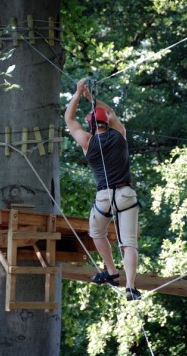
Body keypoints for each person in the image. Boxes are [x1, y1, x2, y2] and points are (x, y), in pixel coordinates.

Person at [65, 77, 141, 301]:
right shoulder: (119, 133)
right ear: (106, 122)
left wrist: (79, 93)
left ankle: (111, 270)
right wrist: (92, 98)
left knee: (96, 232)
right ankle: (130, 287)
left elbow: (69, 119)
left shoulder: (87, 141)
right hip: (126, 194)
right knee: (129, 244)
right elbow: (110, 112)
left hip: (104, 197)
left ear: (90, 126)